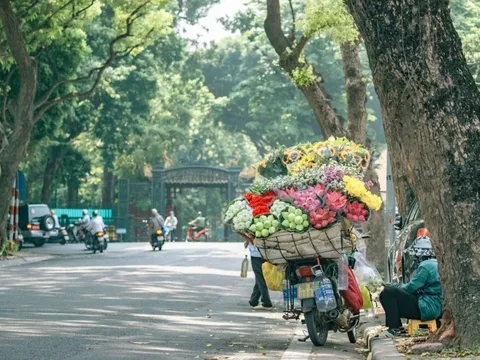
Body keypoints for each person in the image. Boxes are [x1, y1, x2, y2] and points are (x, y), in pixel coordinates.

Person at [379, 231, 442, 336]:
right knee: (390, 292)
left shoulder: (426, 266)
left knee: (388, 292)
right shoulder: (437, 263)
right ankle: (396, 326)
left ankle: (394, 328)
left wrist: (393, 285)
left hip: (427, 308)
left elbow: (411, 287)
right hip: (437, 308)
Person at [243, 235, 273, 310]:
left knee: (260, 278)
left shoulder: (251, 231)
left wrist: (248, 239)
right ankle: (253, 300)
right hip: (267, 254)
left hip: (256, 255)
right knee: (259, 278)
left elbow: (248, 242)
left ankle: (266, 302)